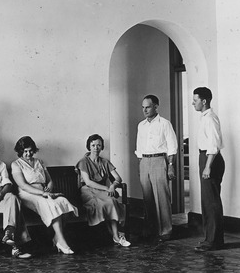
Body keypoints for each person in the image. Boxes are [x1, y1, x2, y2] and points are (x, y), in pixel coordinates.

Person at [11, 136, 78, 254]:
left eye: (30, 150)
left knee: (62, 201)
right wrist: (43, 193)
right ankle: (62, 242)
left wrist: (49, 188)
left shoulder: (39, 162)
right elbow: (23, 186)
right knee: (51, 204)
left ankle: (57, 238)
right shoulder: (16, 164)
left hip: (44, 191)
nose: (28, 153)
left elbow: (49, 180)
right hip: (28, 194)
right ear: (20, 151)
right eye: (25, 151)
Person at [135, 94, 178, 242]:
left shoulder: (164, 124)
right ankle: (151, 230)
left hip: (160, 160)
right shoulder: (141, 125)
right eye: (143, 107)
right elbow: (139, 147)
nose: (145, 110)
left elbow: (172, 146)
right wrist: (141, 165)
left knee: (162, 197)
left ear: (155, 107)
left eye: (147, 107)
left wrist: (171, 166)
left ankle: (166, 231)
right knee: (147, 198)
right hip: (145, 161)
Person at [76, 134, 131, 247]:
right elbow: (88, 182)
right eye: (93, 145)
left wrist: (113, 186)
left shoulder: (105, 162)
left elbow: (118, 178)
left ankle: (116, 236)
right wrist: (107, 188)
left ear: (102, 147)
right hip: (88, 190)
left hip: (102, 190)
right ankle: (111, 233)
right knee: (100, 203)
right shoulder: (83, 162)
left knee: (112, 201)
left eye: (99, 145)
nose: (96, 148)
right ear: (89, 146)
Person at [192, 87, 225, 252]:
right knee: (207, 201)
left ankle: (214, 241)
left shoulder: (210, 118)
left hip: (210, 159)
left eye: (195, 100)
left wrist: (207, 166)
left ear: (204, 101)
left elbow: (214, 145)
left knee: (211, 202)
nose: (193, 103)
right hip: (205, 158)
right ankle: (210, 239)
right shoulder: (204, 118)